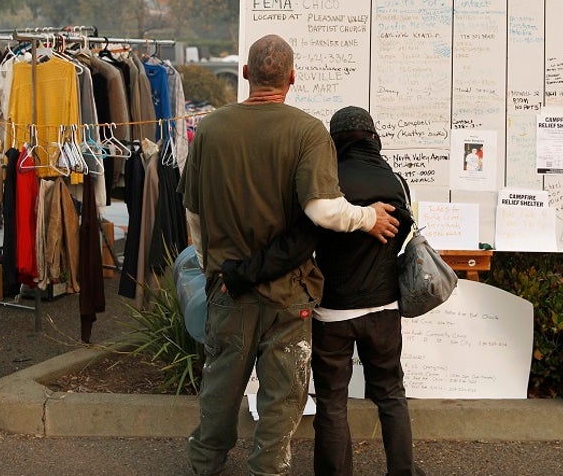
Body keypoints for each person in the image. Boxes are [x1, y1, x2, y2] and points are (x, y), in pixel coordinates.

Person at [178, 34, 399, 476]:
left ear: (246, 74)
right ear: (292, 77)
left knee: (219, 390)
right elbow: (321, 210)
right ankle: (268, 470)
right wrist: (369, 218)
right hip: (288, 296)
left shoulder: (211, 129)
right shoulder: (307, 131)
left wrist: (209, 268)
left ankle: (205, 464)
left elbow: (194, 213)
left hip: (228, 288)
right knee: (281, 400)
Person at [311, 106, 424, 476]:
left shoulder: (326, 184)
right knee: (391, 394)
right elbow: (402, 233)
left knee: (331, 401)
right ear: (373, 138)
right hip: (383, 308)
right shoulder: (396, 183)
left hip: (332, 312)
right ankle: (402, 472)